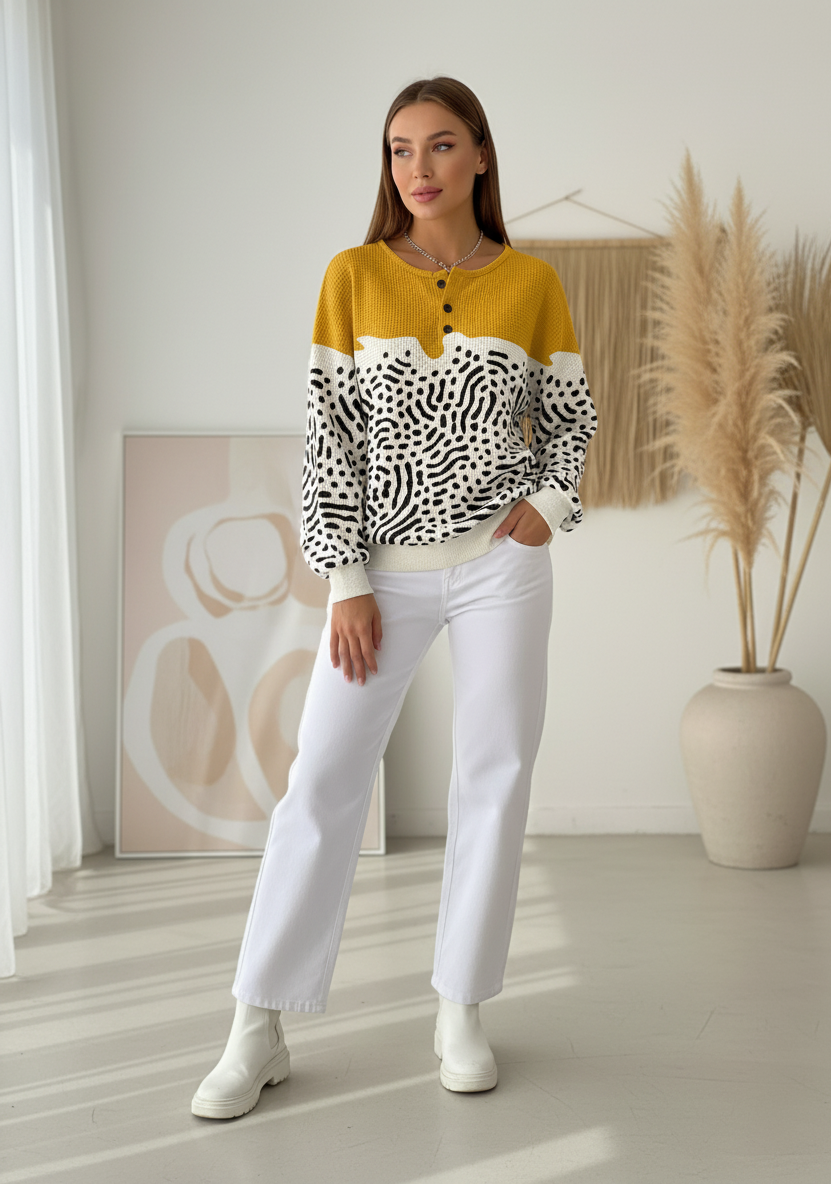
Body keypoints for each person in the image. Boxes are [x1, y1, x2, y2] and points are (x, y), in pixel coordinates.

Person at [191, 75, 597, 1120]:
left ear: (480, 155)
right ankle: (257, 1024)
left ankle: (461, 1005)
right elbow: (326, 437)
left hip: (502, 565)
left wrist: (550, 504)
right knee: (322, 779)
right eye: (399, 149)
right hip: (381, 573)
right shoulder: (353, 275)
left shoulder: (533, 283)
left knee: (494, 776)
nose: (418, 168)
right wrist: (346, 579)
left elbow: (572, 417)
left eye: (440, 145)